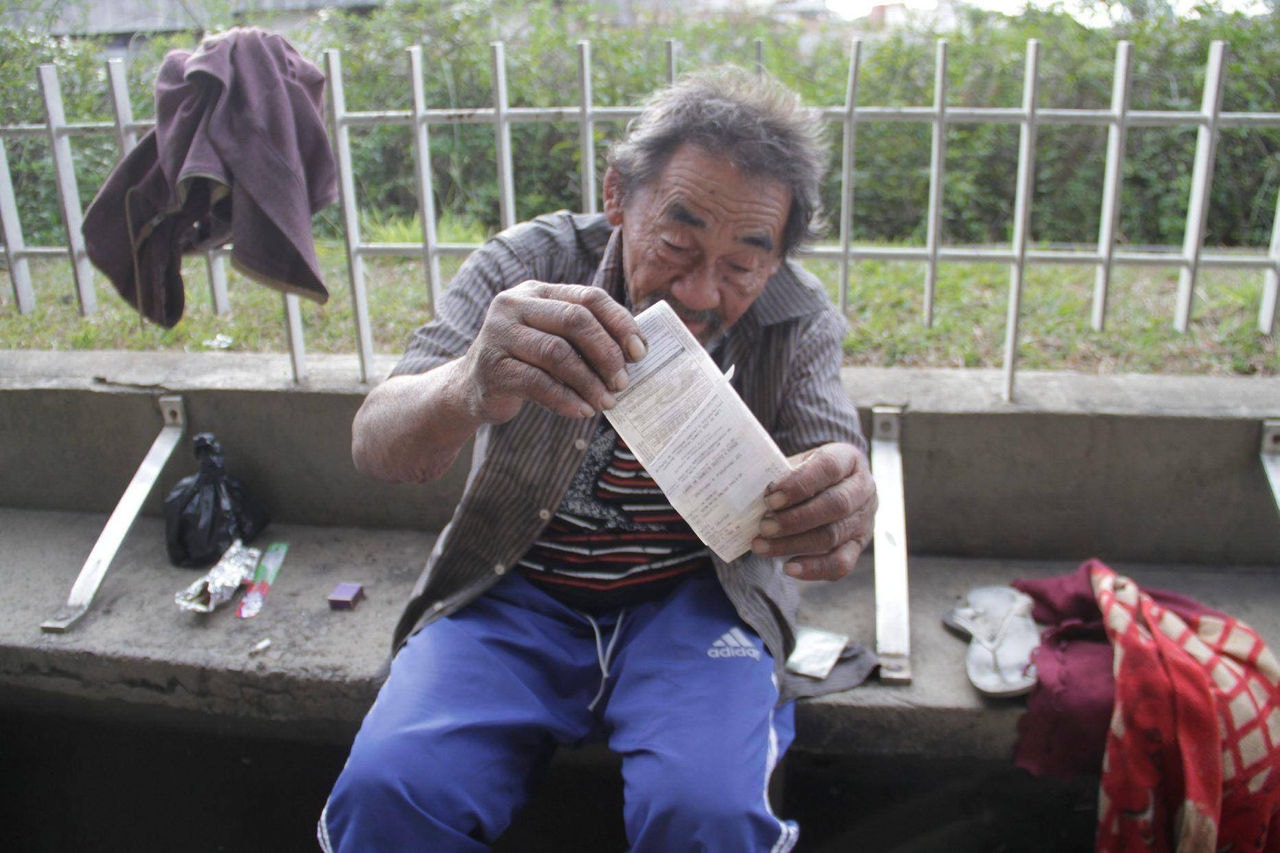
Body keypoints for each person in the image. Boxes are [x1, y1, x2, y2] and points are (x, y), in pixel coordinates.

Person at [319, 66, 878, 852]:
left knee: (708, 815)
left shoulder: (795, 318)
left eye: (744, 264)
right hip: (513, 589)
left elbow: (834, 450)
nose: (701, 291)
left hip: (700, 604)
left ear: (777, 260)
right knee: (389, 793)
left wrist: (843, 498)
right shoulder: (527, 266)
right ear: (617, 196)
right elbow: (377, 442)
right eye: (677, 243)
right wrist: (470, 381)